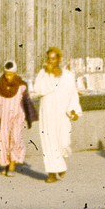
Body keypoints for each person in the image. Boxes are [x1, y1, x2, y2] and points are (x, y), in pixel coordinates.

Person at [31, 47, 83, 181]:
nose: (50, 61)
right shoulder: (43, 74)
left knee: (63, 142)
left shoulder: (68, 76)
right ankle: (52, 173)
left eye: (53, 59)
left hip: (62, 113)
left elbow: (73, 94)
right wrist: (49, 75)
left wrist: (74, 110)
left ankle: (60, 166)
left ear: (59, 59)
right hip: (47, 112)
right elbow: (39, 90)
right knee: (49, 141)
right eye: (49, 59)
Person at [0, 62, 29, 174]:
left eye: (10, 75)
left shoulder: (21, 87)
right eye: (6, 74)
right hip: (4, 119)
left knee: (15, 139)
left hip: (17, 118)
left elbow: (27, 103)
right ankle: (6, 164)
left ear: (15, 73)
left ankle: (12, 165)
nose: (8, 77)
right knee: (4, 141)